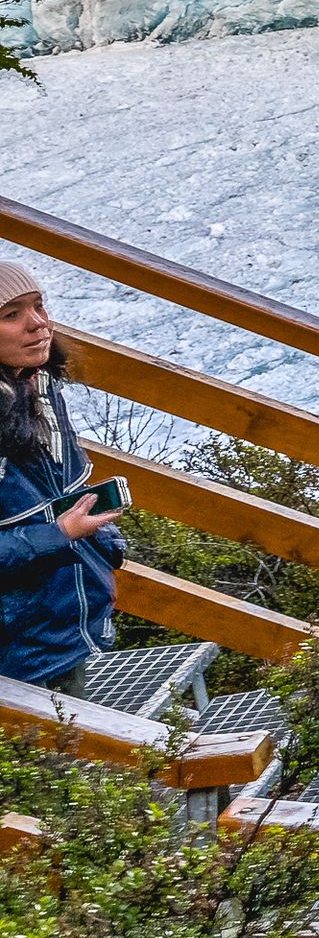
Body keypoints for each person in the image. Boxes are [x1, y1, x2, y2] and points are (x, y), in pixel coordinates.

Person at [0, 259, 125, 689]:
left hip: (56, 622)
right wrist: (61, 535)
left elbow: (57, 489)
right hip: (18, 649)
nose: (38, 325)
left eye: (38, 306)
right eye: (10, 314)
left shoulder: (35, 385)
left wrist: (103, 543)